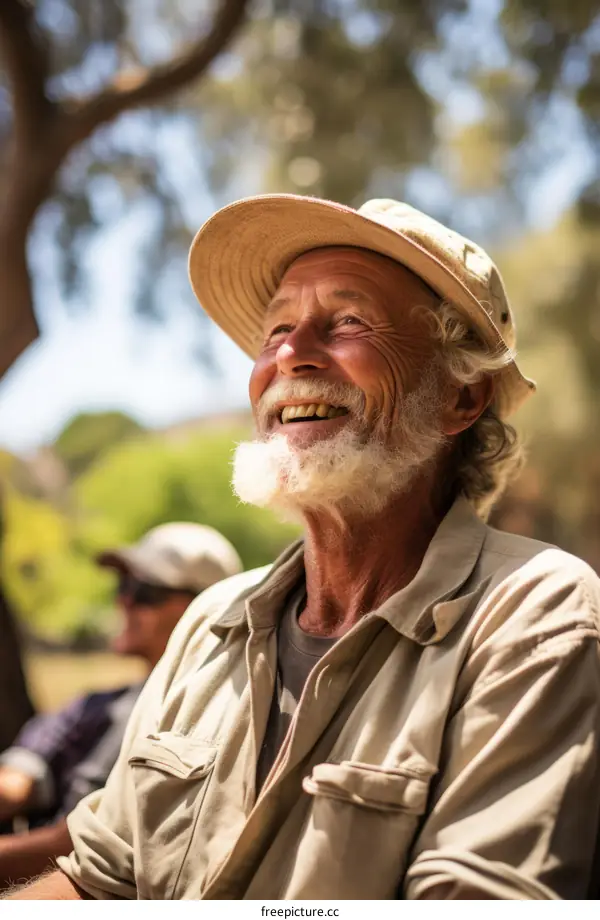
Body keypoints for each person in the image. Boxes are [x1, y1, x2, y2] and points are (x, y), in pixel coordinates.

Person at [6, 194, 600, 902]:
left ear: (459, 398)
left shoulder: (537, 615)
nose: (290, 354)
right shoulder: (211, 622)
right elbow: (99, 878)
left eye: (348, 321)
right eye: (277, 327)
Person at [0, 522, 242, 889]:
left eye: (144, 591)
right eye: (123, 587)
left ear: (204, 607)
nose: (123, 601)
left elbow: (89, 845)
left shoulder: (225, 722)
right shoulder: (95, 705)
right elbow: (16, 781)